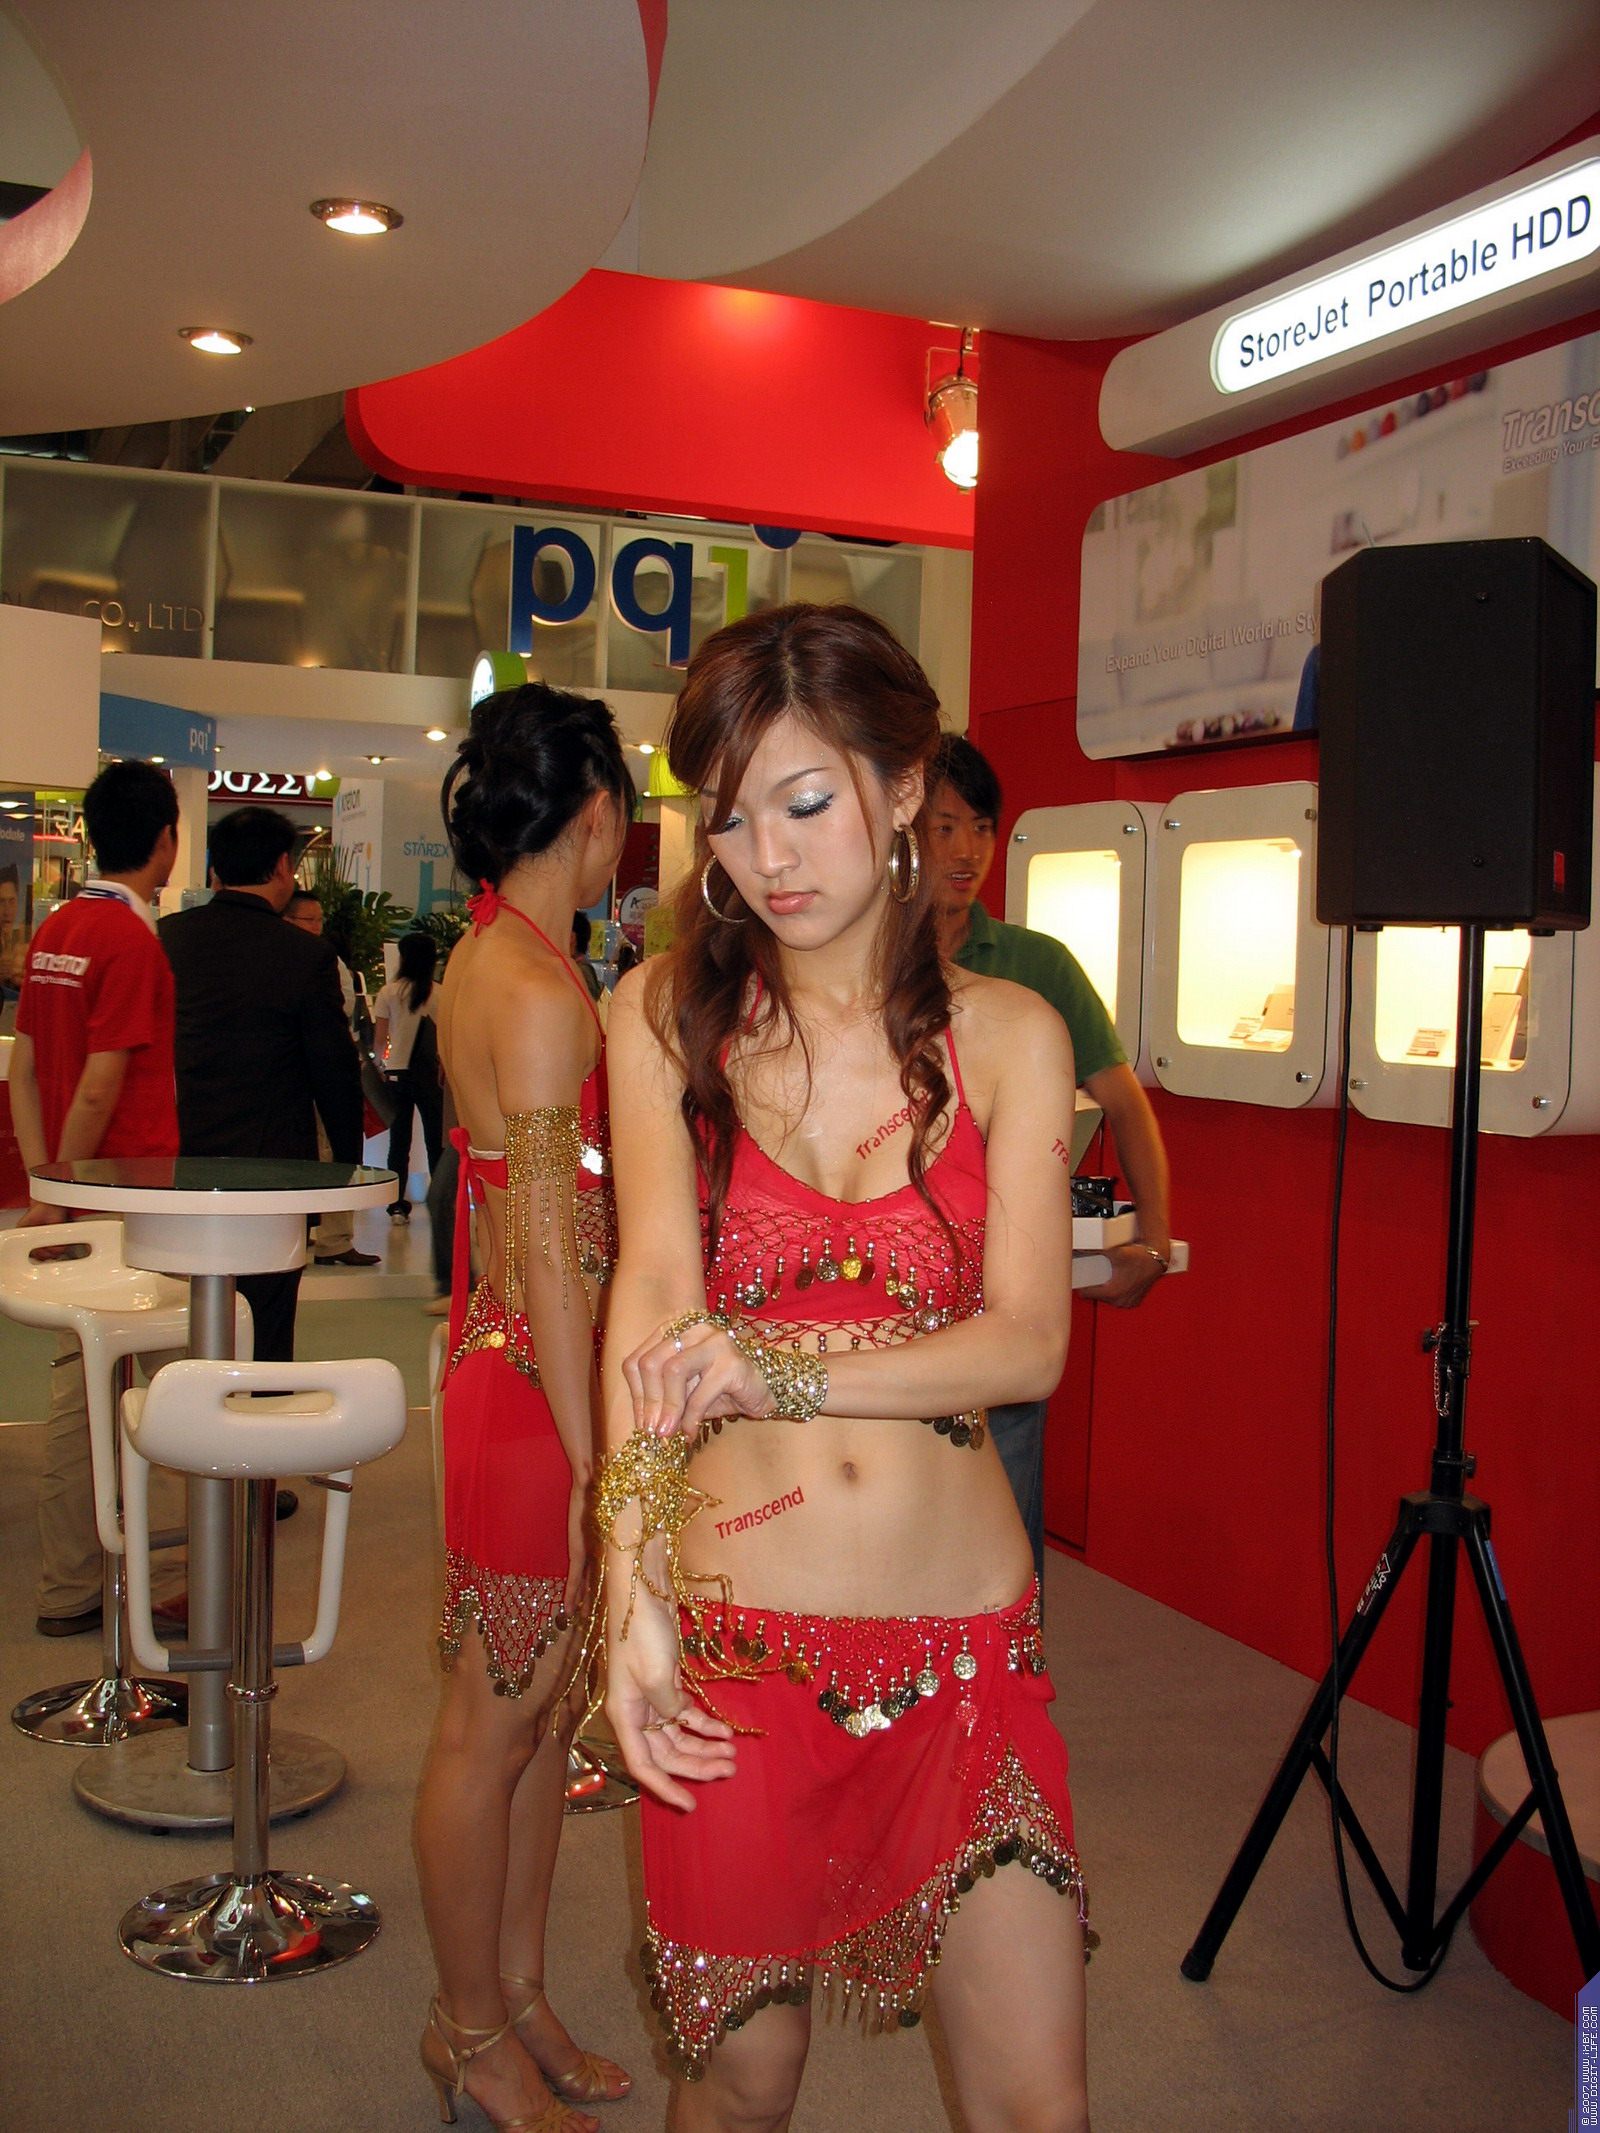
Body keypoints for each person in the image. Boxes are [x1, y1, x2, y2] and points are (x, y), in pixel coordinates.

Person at [600, 604, 1089, 2132]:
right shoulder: (662, 1019)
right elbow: (650, 1305)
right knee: (742, 2083)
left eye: (805, 803)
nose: (768, 858)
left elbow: (1029, 1341)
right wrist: (625, 1587)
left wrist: (781, 1367)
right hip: (740, 1649)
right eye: (728, 817)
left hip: (967, 1656)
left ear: (903, 785)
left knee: (1036, 2104)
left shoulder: (1014, 1035)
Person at [415, 681, 635, 2132]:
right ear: (598, 811)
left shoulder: (491, 954)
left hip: (512, 1368)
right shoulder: (543, 996)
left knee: (541, 1718)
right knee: (492, 1728)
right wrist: (596, 1461)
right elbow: (553, 1252)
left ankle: (519, 1988)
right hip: (533, 1391)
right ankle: (470, 2033)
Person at [926, 733, 1173, 1589]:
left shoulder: (1038, 967)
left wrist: (1155, 1239)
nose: (966, 851)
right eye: (944, 827)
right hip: (893, 1287)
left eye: (981, 828)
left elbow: (1124, 1102)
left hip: (1006, 1289)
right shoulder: (864, 963)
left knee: (1005, 1533)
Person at [9, 760, 187, 1635]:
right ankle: (189, 1577)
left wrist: (44, 1179)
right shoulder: (129, 941)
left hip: (78, 1191)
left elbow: (25, 1070)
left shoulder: (54, 931)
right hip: (131, 1195)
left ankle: (70, 1580)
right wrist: (67, 1179)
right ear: (166, 841)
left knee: (81, 1381)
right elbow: (101, 1082)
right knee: (181, 1380)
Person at [160, 807, 362, 1368]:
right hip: (274, 1168)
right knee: (268, 1316)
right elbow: (333, 1070)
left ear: (216, 870)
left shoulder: (168, 938)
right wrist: (346, 1166)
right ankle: (260, 1409)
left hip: (179, 1160)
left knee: (180, 1307)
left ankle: (187, 1407)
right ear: (280, 868)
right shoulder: (305, 955)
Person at [284, 888, 378, 1268]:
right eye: (309, 919)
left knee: (333, 1152)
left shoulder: (327, 961)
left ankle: (334, 1238)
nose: (316, 926)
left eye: (319, 920)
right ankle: (313, 1235)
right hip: (295, 1073)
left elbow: (343, 1016)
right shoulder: (286, 956)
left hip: (327, 1071)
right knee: (311, 1153)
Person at [374, 931, 443, 1223]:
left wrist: (380, 1065)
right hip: (431, 1075)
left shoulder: (389, 992)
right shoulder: (440, 993)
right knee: (435, 1141)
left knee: (399, 1144)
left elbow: (380, 1041)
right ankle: (441, 1204)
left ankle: (396, 1207)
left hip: (397, 1075)